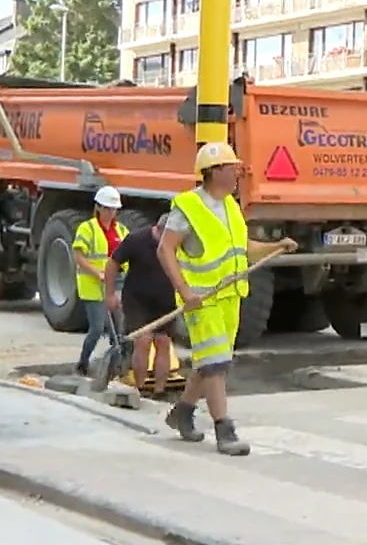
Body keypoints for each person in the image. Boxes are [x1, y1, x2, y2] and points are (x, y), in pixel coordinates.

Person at [157, 142, 295, 457]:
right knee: (215, 364)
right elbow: (164, 250)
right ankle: (224, 430)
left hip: (230, 297)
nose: (237, 172)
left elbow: (243, 248)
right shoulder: (188, 207)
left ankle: (182, 413)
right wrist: (185, 291)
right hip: (202, 300)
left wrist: (275, 246)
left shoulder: (231, 206)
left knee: (209, 363)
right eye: (232, 167)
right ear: (214, 171)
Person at [106, 214, 176, 394]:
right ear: (157, 230)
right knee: (143, 340)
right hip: (137, 300)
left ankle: (159, 390)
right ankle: (140, 387)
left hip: (165, 301)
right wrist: (110, 294)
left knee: (163, 342)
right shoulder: (136, 240)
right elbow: (112, 263)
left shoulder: (177, 243)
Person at [73, 186, 128, 377]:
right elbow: (79, 256)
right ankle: (83, 362)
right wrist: (97, 272)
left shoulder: (121, 231)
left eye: (113, 209)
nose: (110, 213)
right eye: (107, 208)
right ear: (98, 207)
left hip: (116, 284)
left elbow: (127, 255)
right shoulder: (87, 229)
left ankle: (115, 368)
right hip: (93, 285)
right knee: (97, 328)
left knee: (118, 330)